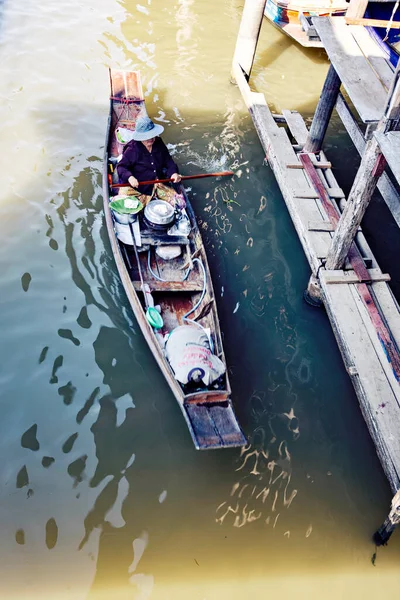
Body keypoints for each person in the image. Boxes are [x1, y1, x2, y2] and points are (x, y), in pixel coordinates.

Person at [117, 115, 182, 204]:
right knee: (125, 207)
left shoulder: (158, 142)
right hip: (138, 187)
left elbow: (168, 160)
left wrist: (173, 173)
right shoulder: (132, 149)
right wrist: (130, 177)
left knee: (179, 202)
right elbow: (121, 167)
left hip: (157, 183)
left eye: (152, 135)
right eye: (147, 137)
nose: (151, 139)